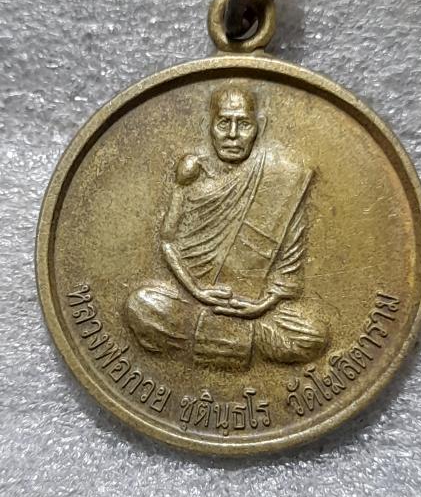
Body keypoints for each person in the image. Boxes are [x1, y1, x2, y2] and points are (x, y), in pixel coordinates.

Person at [126, 84, 327, 368]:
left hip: (253, 309)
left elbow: (288, 267)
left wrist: (261, 306)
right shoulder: (191, 174)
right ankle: (234, 338)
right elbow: (168, 242)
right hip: (191, 299)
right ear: (208, 126)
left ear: (259, 127)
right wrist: (197, 291)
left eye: (243, 124)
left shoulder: (285, 180)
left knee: (312, 336)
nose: (233, 134)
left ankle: (212, 335)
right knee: (141, 305)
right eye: (224, 123)